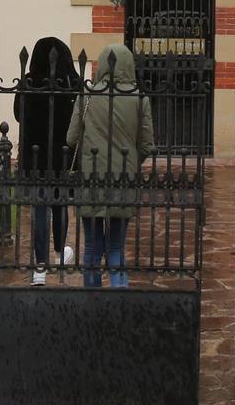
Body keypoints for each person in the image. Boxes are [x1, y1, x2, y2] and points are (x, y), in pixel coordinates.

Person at [66, 41, 153, 288]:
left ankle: (92, 305)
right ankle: (119, 303)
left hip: (91, 180)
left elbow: (71, 139)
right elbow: (147, 144)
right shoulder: (139, 99)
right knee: (116, 248)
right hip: (123, 181)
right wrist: (131, 163)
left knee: (92, 249)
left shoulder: (87, 97)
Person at [17, 37, 79, 286]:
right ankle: (59, 253)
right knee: (59, 204)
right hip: (61, 156)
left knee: (40, 206)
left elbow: (17, 114)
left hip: (36, 155)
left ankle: (40, 266)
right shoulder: (72, 83)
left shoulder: (29, 82)